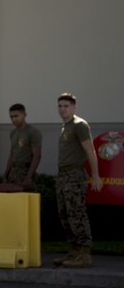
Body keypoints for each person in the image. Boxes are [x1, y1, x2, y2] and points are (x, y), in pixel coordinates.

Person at [54, 93, 103, 268]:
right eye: (60, 106)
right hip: (63, 176)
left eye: (66, 106)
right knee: (65, 215)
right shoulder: (65, 126)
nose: (62, 109)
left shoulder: (79, 125)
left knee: (77, 214)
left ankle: (84, 254)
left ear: (74, 107)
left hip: (75, 176)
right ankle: (74, 251)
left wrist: (95, 176)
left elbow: (90, 151)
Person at [2, 103, 42, 190]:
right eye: (11, 117)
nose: (13, 119)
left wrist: (29, 177)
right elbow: (11, 155)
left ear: (24, 115)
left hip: (25, 170)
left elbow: (37, 156)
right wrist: (6, 174)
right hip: (13, 172)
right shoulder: (13, 133)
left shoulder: (33, 132)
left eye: (16, 116)